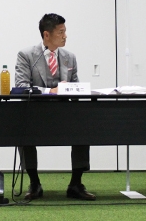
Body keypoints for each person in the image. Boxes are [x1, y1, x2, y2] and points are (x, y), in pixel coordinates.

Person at [14, 13, 95, 200]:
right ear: (46, 35)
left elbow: (76, 85)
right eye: (61, 32)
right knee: (23, 130)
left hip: (65, 112)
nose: (65, 36)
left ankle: (76, 183)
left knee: (84, 126)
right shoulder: (27, 55)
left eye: (65, 31)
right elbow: (22, 86)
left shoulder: (69, 57)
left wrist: (74, 89)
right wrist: (50, 91)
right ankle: (34, 183)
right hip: (36, 112)